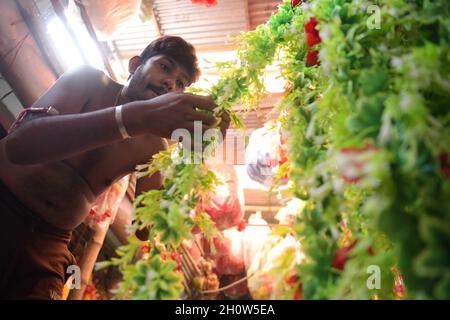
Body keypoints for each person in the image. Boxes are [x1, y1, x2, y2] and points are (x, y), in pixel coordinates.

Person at [0, 35, 230, 299]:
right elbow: (19, 146)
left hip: (50, 242)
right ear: (135, 65)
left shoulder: (154, 147)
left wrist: (188, 163)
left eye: (181, 83)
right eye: (165, 67)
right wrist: (132, 119)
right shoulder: (89, 82)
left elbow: (146, 229)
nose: (170, 84)